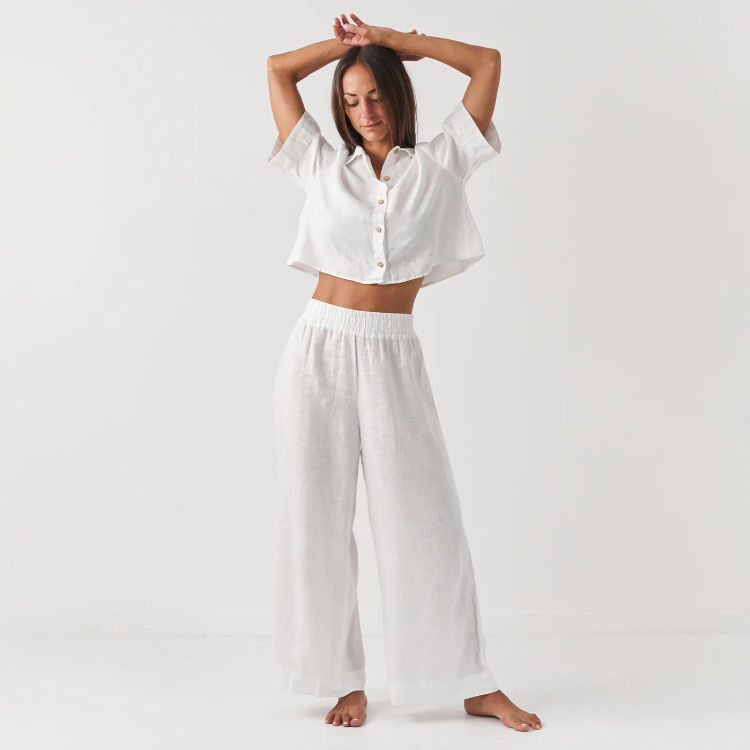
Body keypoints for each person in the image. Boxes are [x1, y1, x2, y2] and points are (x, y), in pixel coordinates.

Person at [266, 13, 542, 732]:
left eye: (376, 95)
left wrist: (392, 41)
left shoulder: (442, 163)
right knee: (316, 520)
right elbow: (277, 69)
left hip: (392, 352)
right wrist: (348, 47)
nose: (365, 112)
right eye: (351, 101)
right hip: (318, 349)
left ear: (399, 92)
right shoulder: (320, 164)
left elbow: (487, 61)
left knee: (426, 521)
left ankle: (470, 682)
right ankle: (341, 681)